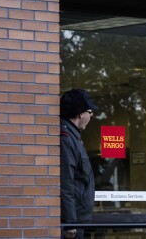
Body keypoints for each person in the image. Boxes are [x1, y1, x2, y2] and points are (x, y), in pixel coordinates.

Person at [60, 89, 99, 239]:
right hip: (74, 225)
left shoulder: (74, 137)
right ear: (80, 113)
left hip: (80, 220)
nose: (91, 115)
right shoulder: (67, 138)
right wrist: (70, 222)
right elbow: (66, 183)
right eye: (90, 111)